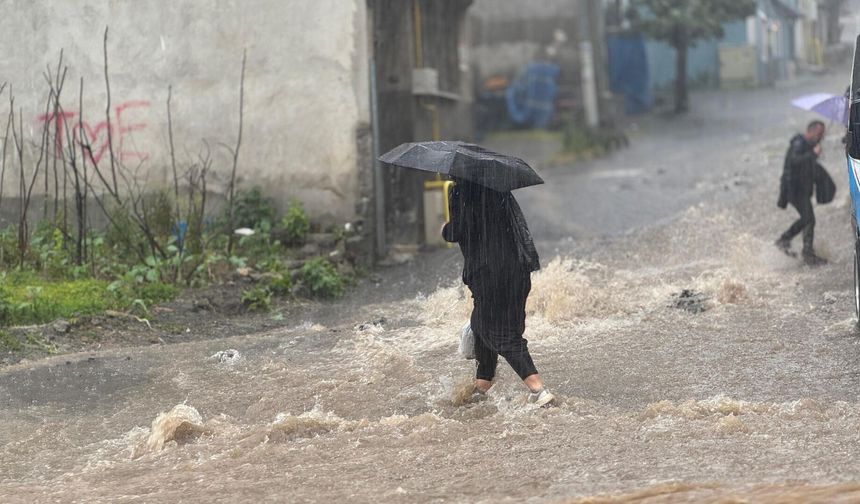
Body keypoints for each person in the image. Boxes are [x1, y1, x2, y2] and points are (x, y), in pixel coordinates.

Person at [442, 179, 555, 407]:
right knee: (481, 323)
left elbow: (459, 230)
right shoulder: (498, 187)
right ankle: (482, 384)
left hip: (489, 274)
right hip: (517, 271)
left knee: (497, 331)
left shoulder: (460, 191)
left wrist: (445, 228)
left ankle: (538, 389)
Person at [776, 120, 828, 266]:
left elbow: (807, 167)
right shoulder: (798, 143)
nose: (821, 137)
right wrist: (813, 153)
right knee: (809, 218)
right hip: (793, 189)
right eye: (819, 134)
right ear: (810, 132)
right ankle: (806, 254)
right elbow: (795, 162)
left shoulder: (807, 145)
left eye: (822, 135)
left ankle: (786, 241)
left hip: (800, 189)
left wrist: (814, 154)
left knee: (807, 218)